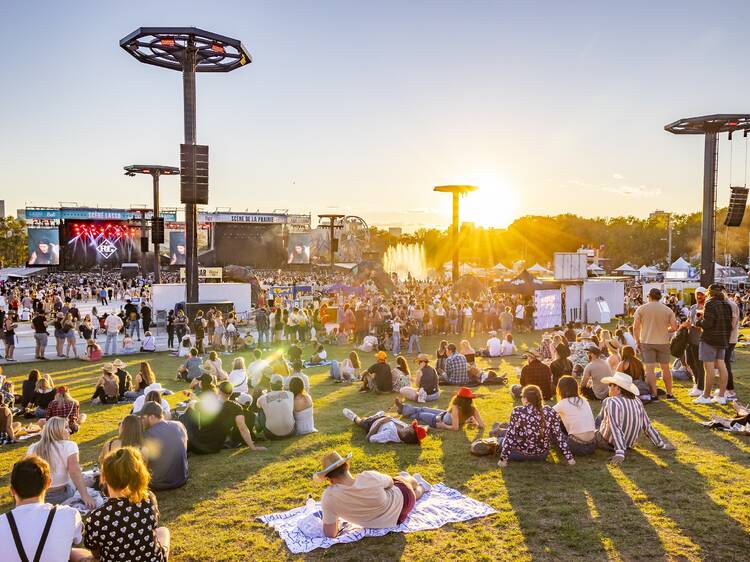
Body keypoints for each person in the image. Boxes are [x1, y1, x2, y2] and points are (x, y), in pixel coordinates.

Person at [85, 447, 170, 561]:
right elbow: (153, 528)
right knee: (163, 531)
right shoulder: (149, 498)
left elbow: (95, 551)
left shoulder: (97, 517)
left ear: (104, 477)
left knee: (78, 553)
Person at [315, 451, 426, 537]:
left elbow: (330, 534)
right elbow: (391, 483)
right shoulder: (368, 476)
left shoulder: (328, 498)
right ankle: (419, 484)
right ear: (347, 466)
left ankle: (421, 486)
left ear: (329, 479)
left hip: (396, 519)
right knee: (404, 481)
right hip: (405, 500)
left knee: (408, 492)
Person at [0, 456, 88, 562]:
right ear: (48, 484)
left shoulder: (2, 522)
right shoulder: (69, 514)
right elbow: (77, 542)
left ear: (12, 490)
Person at [595, 372, 675, 465]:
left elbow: (615, 427)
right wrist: (661, 444)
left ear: (618, 388)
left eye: (610, 385)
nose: (608, 387)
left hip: (609, 443)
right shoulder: (637, 401)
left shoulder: (611, 401)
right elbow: (647, 426)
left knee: (593, 429)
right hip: (629, 444)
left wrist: (620, 452)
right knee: (601, 418)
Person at [496, 385, 575, 466]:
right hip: (541, 455)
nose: (521, 399)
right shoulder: (550, 411)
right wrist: (570, 458)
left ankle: (498, 433)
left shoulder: (517, 411)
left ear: (526, 399)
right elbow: (559, 437)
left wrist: (503, 460)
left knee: (503, 439)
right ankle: (498, 431)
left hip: (519, 454)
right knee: (507, 435)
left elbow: (510, 436)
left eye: (522, 396)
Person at [26, 417, 95, 508]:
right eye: (66, 427)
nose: (70, 430)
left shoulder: (32, 448)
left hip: (37, 496)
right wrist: (85, 495)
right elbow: (74, 472)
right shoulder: (69, 446)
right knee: (89, 479)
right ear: (57, 430)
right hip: (61, 495)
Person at [182, 381, 266, 452]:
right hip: (215, 447)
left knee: (187, 414)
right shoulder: (236, 407)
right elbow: (243, 428)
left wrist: (191, 399)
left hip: (198, 444)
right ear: (231, 393)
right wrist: (253, 447)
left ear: (219, 391)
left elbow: (192, 404)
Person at [633, 287, 678, 401]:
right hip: (663, 342)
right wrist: (664, 329)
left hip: (647, 341)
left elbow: (636, 327)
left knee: (649, 370)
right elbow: (674, 327)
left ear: (649, 297)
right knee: (665, 369)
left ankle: (654, 395)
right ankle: (669, 394)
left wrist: (637, 341)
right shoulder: (667, 310)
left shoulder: (641, 309)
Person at [694, 284, 733, 405]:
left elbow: (708, 323)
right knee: (722, 366)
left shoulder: (710, 303)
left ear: (709, 292)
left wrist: (698, 322)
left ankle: (706, 396)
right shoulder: (727, 304)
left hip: (710, 339)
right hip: (723, 339)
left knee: (709, 368)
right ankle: (721, 395)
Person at [139, 402, 189, 490]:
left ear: (152, 417)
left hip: (158, 483)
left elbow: (144, 461)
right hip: (181, 478)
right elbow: (184, 447)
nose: (141, 420)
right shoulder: (179, 425)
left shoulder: (147, 434)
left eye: (143, 417)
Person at [395, 386, 484, 431]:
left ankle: (402, 410)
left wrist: (443, 426)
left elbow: (455, 428)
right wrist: (471, 421)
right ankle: (403, 408)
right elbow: (482, 425)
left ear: (459, 398)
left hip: (440, 421)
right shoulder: (472, 409)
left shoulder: (456, 408)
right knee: (424, 408)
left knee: (419, 415)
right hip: (445, 414)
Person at [552, 376, 596, 455]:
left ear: (560, 389)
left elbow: (546, 414)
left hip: (575, 447)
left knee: (551, 425)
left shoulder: (563, 403)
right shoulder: (584, 401)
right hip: (592, 445)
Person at [342, 409, 427, 444]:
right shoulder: (405, 427)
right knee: (381, 413)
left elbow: (368, 438)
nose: (410, 425)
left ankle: (354, 417)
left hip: (372, 424)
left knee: (362, 421)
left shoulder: (388, 435)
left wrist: (380, 423)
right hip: (384, 417)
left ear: (407, 434)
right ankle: (377, 415)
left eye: (412, 427)